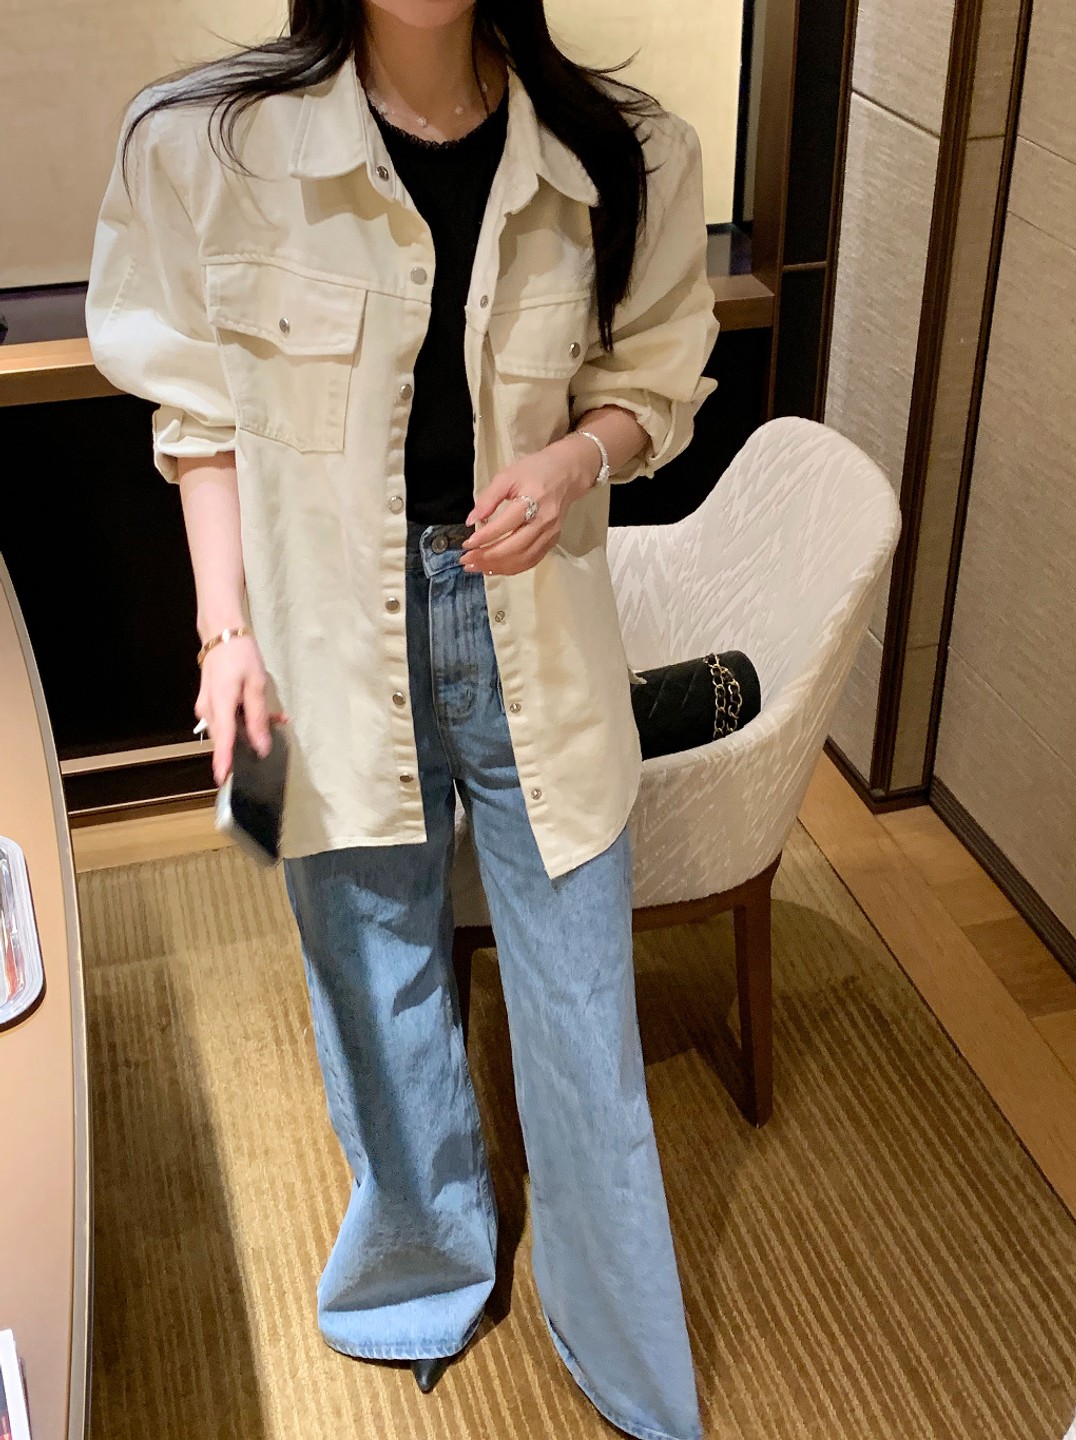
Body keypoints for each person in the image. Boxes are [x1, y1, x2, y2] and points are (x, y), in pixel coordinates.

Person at [86, 3, 718, 1436]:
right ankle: (415, 1279)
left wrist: (574, 460)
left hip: (537, 628)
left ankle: (623, 1339)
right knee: (368, 977)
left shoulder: (627, 156)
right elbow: (198, 420)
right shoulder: (205, 145)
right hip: (311, 637)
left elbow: (653, 379)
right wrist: (225, 635)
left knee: (584, 1004)